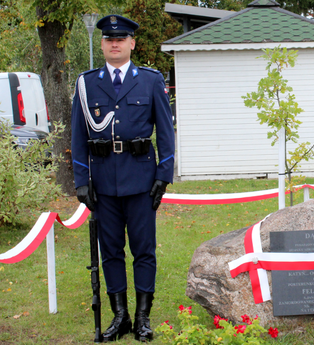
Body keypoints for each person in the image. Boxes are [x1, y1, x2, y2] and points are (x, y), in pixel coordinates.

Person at [71, 14, 175, 342]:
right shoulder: (87, 83)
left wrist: (163, 175)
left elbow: (166, 132)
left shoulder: (150, 80)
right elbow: (77, 135)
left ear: (132, 43)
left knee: (143, 250)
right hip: (103, 182)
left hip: (142, 179)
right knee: (111, 251)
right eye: (108, 38)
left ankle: (143, 318)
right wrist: (81, 179)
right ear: (102, 44)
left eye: (120, 38)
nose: (114, 43)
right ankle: (121, 316)